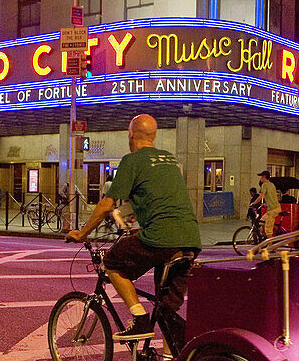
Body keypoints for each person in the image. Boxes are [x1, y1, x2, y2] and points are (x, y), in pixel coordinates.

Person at [66, 113, 201, 342]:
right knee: (165, 310)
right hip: (191, 240)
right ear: (155, 136)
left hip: (161, 238)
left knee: (112, 262)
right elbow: (159, 199)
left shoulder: (132, 160)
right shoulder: (168, 159)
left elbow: (106, 205)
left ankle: (139, 319)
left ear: (130, 135)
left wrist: (82, 233)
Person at [251, 170, 282, 237]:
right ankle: (274, 229)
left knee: (268, 230)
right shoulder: (272, 184)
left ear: (264, 177)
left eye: (261, 176)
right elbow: (272, 196)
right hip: (276, 207)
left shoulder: (264, 185)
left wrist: (253, 203)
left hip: (272, 210)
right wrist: (266, 204)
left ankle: (270, 246)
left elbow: (261, 196)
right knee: (262, 221)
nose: (260, 178)